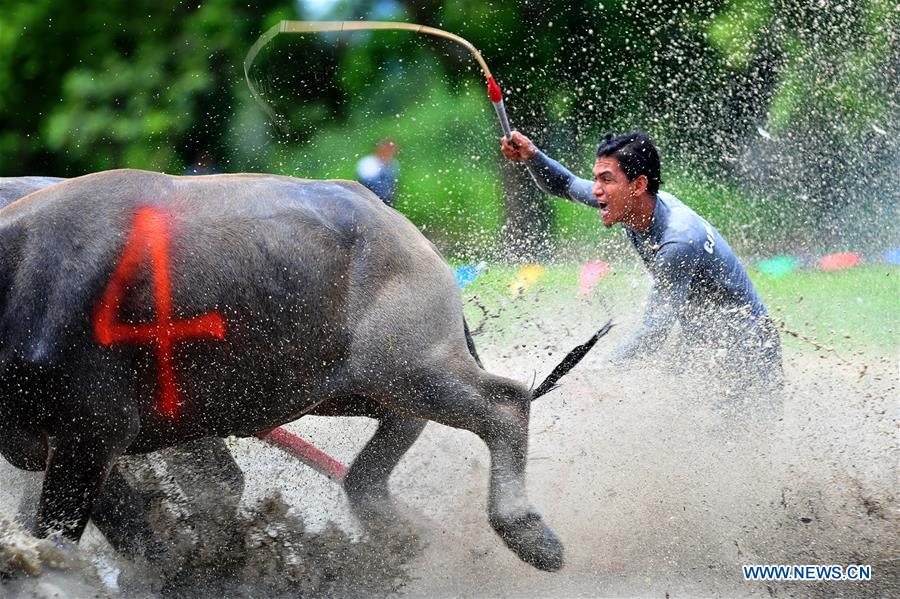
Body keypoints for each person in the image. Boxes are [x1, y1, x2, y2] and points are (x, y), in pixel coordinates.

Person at [500, 130, 783, 398]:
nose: (596, 190)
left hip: (748, 352)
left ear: (638, 185)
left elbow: (653, 334)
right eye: (596, 179)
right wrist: (532, 155)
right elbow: (565, 184)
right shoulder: (629, 202)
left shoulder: (678, 242)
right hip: (703, 347)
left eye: (606, 180)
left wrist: (594, 373)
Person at [356, 138, 399, 206]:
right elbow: (366, 183)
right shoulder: (368, 162)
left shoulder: (394, 164)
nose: (388, 153)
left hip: (386, 201)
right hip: (368, 198)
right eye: (386, 150)